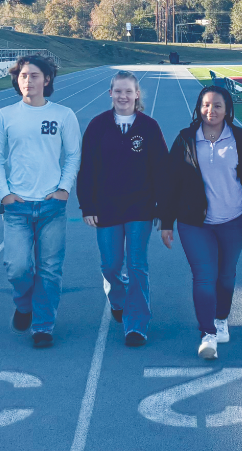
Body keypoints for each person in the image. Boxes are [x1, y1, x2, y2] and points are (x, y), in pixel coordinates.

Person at [159, 85, 242, 360]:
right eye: (206, 105)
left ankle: (221, 318)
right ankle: (207, 333)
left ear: (227, 109)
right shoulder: (185, 139)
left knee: (226, 277)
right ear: (198, 108)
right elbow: (170, 182)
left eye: (217, 105)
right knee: (204, 277)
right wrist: (166, 222)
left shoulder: (241, 139)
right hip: (194, 222)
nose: (211, 110)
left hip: (233, 219)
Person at [0, 55, 82, 348]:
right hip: (17, 206)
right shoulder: (4, 116)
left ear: (47, 80)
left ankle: (43, 326)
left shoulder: (64, 115)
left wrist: (64, 188)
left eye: (35, 75)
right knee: (17, 268)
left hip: (51, 205)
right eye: (23, 75)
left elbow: (73, 155)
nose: (28, 80)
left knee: (50, 269)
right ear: (17, 80)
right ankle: (24, 305)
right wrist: (5, 194)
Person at [77, 71, 167, 347]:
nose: (123, 96)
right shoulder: (97, 126)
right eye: (118, 91)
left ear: (137, 94)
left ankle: (136, 324)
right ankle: (118, 297)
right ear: (110, 94)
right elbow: (87, 169)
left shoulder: (149, 127)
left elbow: (161, 170)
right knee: (111, 264)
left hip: (140, 208)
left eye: (128, 91)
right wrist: (87, 205)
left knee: (137, 264)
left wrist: (163, 209)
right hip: (106, 208)